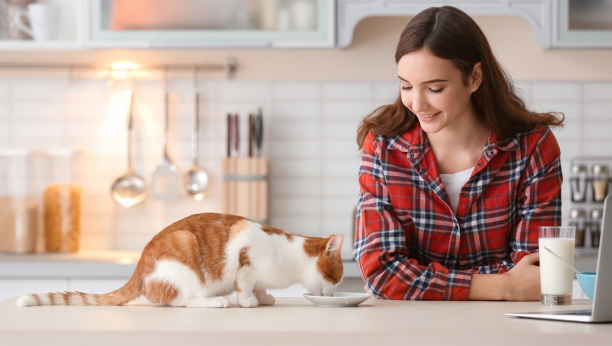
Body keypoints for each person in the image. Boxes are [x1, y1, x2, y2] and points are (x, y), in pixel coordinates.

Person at [354, 6, 565, 301]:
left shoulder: (532, 147)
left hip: (504, 329)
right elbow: (381, 272)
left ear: (475, 77)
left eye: (435, 88)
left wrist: (414, 281)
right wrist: (503, 286)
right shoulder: (383, 146)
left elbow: (534, 273)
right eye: (406, 86)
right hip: (408, 331)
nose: (417, 104)